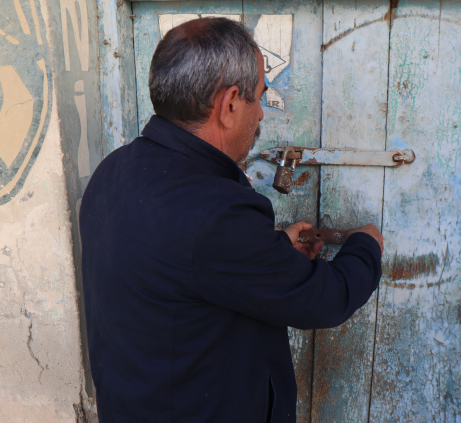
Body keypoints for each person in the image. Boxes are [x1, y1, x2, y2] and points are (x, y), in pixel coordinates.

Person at [79, 17, 383, 423]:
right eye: (258, 98)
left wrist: (269, 250)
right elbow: (323, 300)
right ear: (230, 104)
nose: (260, 114)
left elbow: (186, 267)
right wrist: (366, 246)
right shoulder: (216, 212)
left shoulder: (113, 171)